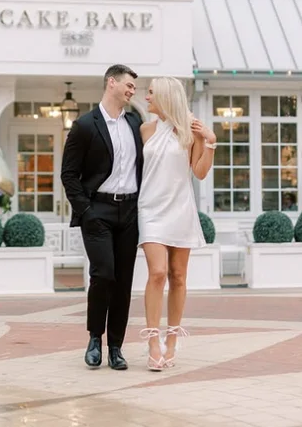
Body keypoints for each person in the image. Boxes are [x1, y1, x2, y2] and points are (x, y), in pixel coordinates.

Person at [61, 64, 144, 370]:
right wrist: (86, 212)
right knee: (103, 274)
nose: (132, 91)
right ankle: (95, 337)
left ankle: (116, 347)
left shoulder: (136, 123)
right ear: (112, 83)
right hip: (98, 211)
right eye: (129, 86)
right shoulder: (85, 125)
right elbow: (68, 174)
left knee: (123, 282)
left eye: (134, 88)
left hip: (130, 212)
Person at [136, 77, 216, 371]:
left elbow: (200, 172)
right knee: (157, 273)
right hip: (150, 209)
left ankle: (172, 340)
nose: (146, 98)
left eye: (152, 93)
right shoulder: (145, 129)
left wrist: (210, 142)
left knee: (178, 276)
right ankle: (152, 341)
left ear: (167, 97)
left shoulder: (190, 129)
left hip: (180, 208)